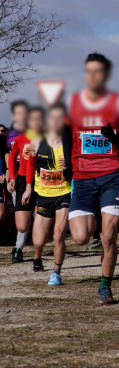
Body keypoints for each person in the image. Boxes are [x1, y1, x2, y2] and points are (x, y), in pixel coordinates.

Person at [66, 52, 119, 305]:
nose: (93, 76)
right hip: (83, 178)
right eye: (89, 71)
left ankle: (105, 286)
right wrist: (67, 168)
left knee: (108, 237)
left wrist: (113, 136)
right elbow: (66, 136)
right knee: (80, 238)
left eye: (98, 71)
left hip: (111, 175)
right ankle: (101, 214)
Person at [23, 103, 73, 283]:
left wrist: (69, 164)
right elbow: (28, 164)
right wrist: (28, 188)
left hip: (64, 192)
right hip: (43, 194)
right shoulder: (36, 141)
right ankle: (38, 256)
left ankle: (56, 273)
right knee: (38, 241)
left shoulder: (71, 143)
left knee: (58, 235)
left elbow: (80, 165)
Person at [8, 105, 43, 265]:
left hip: (44, 180)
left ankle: (32, 250)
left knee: (41, 220)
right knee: (22, 225)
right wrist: (13, 177)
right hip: (23, 179)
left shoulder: (47, 137)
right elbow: (11, 156)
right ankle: (19, 246)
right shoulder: (21, 138)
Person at [3, 100, 29, 260]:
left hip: (36, 177)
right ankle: (18, 248)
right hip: (17, 177)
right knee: (21, 212)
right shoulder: (8, 134)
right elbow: (7, 154)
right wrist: (9, 173)